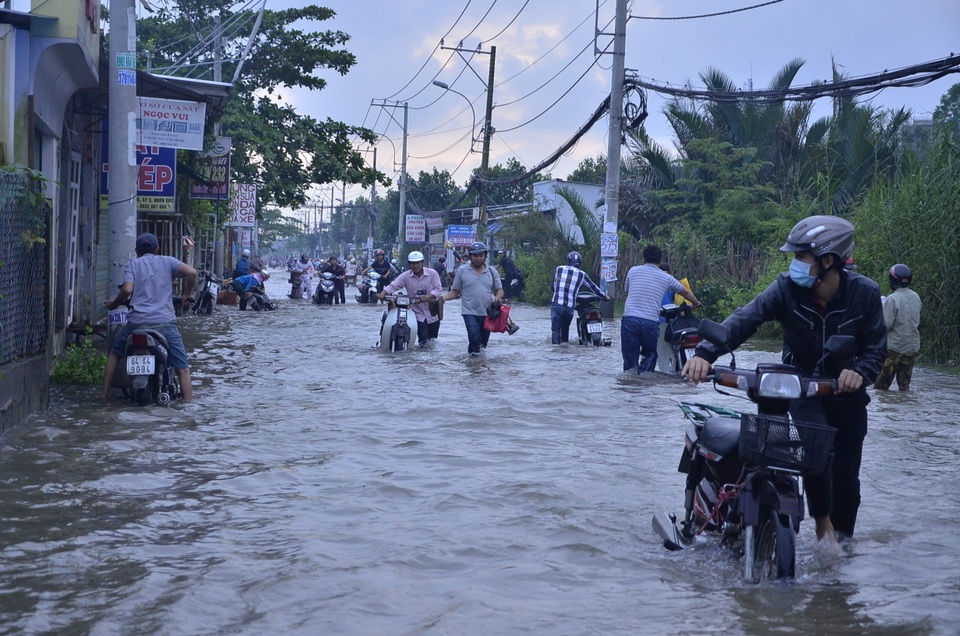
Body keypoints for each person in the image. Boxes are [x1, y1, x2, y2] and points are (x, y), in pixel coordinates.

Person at [683, 215, 886, 548]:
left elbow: (876, 348)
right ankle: (822, 526)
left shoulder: (865, 293)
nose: (794, 264)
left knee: (847, 479)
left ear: (827, 261)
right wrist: (705, 354)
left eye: (801, 256)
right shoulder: (786, 288)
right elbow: (745, 319)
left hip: (846, 390)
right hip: (802, 386)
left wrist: (860, 372)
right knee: (816, 453)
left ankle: (844, 548)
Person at [100, 233, 197, 401]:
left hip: (136, 324)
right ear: (157, 249)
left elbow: (127, 289)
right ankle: (187, 406)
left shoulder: (133, 264)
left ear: (136, 250)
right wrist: (187, 294)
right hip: (165, 323)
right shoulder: (168, 261)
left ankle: (103, 396)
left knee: (115, 354)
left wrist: (114, 304)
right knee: (182, 368)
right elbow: (192, 273)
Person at [622, 245, 702, 373]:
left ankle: (631, 381)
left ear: (644, 258)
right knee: (650, 354)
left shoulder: (633, 271)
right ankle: (645, 378)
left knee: (630, 357)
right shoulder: (666, 277)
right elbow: (685, 292)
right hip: (650, 322)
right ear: (659, 261)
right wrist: (696, 303)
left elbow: (627, 290)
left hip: (630, 319)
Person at [440, 241, 503, 356]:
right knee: (474, 337)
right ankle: (473, 362)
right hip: (469, 312)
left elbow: (500, 290)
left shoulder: (492, 271)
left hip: (488, 313)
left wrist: (498, 298)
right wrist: (444, 298)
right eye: (475, 255)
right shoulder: (462, 271)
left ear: (485, 256)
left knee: (483, 344)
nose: (478, 258)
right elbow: (455, 291)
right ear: (470, 256)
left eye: (481, 255)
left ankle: (477, 363)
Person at [378, 251, 444, 346]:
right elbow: (393, 285)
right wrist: (383, 293)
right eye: (412, 263)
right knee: (423, 338)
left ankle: (430, 355)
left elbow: (438, 289)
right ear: (409, 264)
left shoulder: (432, 273)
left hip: (432, 313)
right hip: (417, 313)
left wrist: (428, 296)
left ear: (422, 263)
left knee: (432, 340)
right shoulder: (405, 276)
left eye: (417, 263)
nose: (415, 266)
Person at [875, 263, 921, 391]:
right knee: (904, 388)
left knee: (881, 388)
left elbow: (886, 325)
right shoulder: (916, 297)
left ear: (893, 280)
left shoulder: (892, 299)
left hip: (894, 348)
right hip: (911, 348)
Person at [551, 251, 610, 344]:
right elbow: (594, 288)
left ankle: (556, 349)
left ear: (568, 260)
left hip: (557, 304)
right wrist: (605, 297)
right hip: (569, 307)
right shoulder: (582, 274)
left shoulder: (559, 269)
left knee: (556, 330)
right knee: (565, 330)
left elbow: (553, 287)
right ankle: (564, 348)